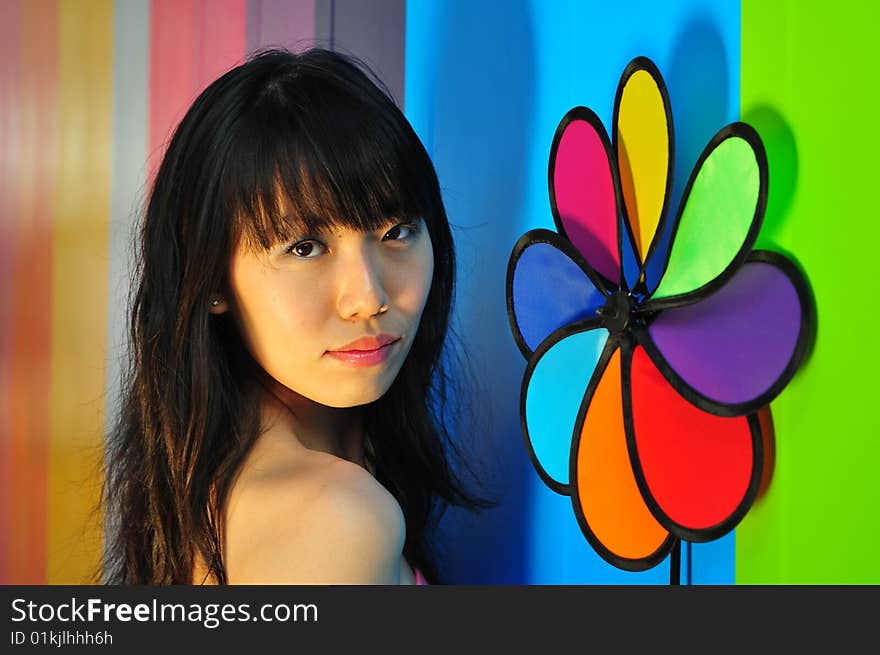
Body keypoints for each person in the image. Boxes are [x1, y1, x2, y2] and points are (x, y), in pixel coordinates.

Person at [100, 47, 494, 585]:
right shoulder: (333, 519)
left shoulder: (202, 478)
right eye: (305, 248)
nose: (368, 297)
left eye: (396, 232)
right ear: (211, 278)